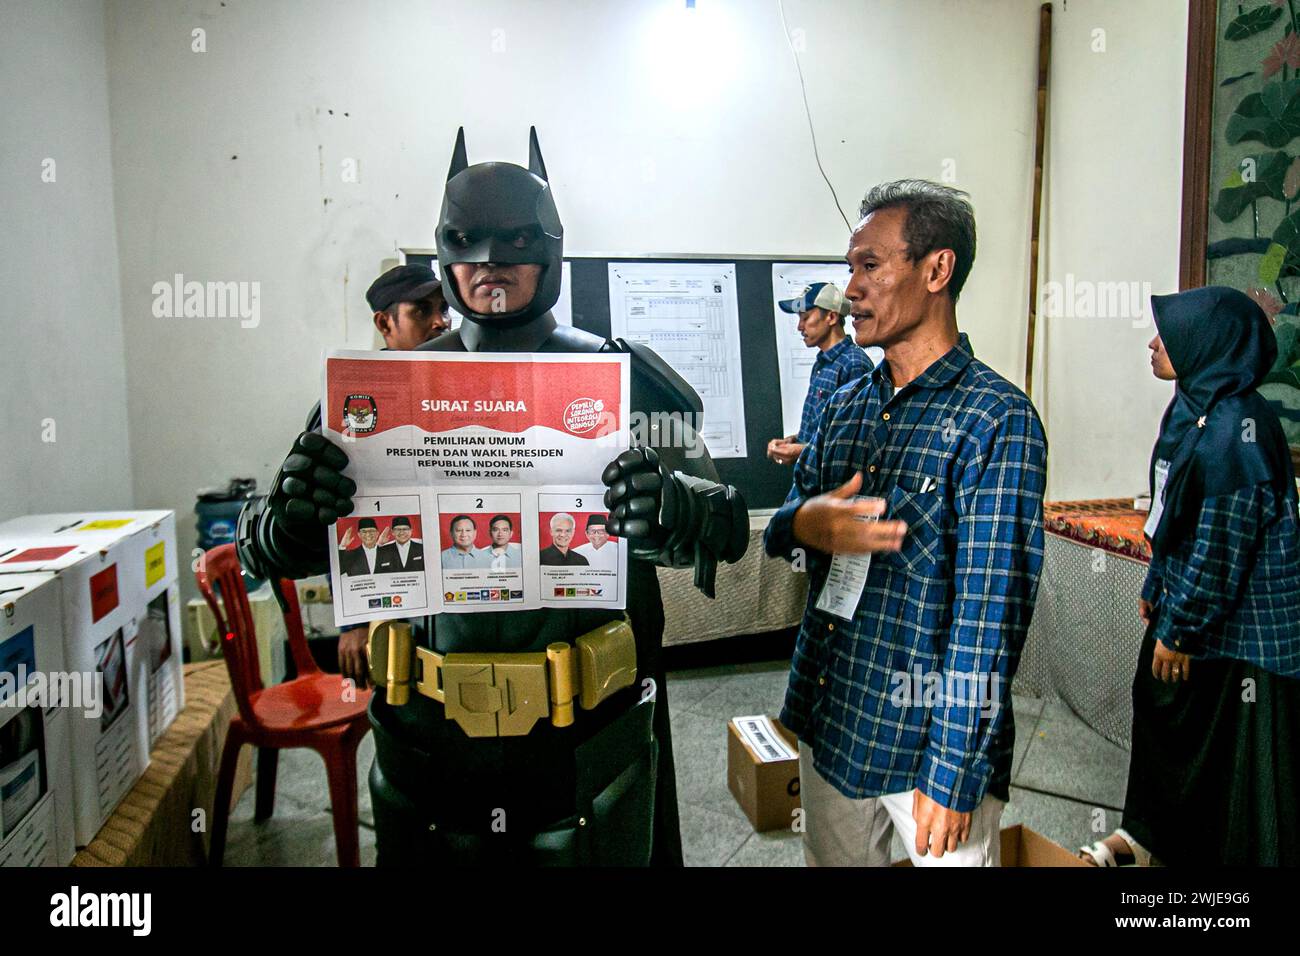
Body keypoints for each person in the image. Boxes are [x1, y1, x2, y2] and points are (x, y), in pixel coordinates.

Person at [235, 128, 748, 866]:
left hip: (584, 736)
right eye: (468, 245)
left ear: (548, 251)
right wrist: (289, 521)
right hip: (430, 735)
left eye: (511, 245)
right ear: (443, 254)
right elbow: (263, 536)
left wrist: (672, 509)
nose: (488, 266)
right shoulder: (382, 392)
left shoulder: (620, 377)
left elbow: (724, 522)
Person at [764, 180, 1047, 867]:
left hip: (928, 746)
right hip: (832, 714)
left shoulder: (996, 421)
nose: (849, 288)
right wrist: (809, 522)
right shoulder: (847, 404)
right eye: (849, 266)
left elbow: (986, 619)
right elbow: (780, 528)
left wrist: (952, 774)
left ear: (936, 269)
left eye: (869, 265)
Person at [1079, 287, 1300, 867]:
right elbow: (1169, 516)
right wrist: (1157, 591)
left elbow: (1220, 551)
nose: (1154, 344)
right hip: (1190, 607)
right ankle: (1149, 838)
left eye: (1169, 336)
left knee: (1224, 756)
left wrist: (1182, 632)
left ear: (1208, 345)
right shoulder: (1193, 408)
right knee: (1160, 710)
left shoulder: (1239, 433)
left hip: (1237, 635)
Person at [334, 264, 450, 691]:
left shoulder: (462, 387)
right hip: (388, 594)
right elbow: (338, 513)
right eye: (422, 311)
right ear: (385, 323)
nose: (439, 321)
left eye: (443, 310)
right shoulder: (352, 399)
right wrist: (352, 619)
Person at [767, 282, 874, 466]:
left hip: (836, 487)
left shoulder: (854, 365)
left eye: (806, 317)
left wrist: (802, 451)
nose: (800, 327)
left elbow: (852, 442)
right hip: (812, 480)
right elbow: (823, 427)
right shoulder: (822, 363)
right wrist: (794, 441)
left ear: (831, 317)